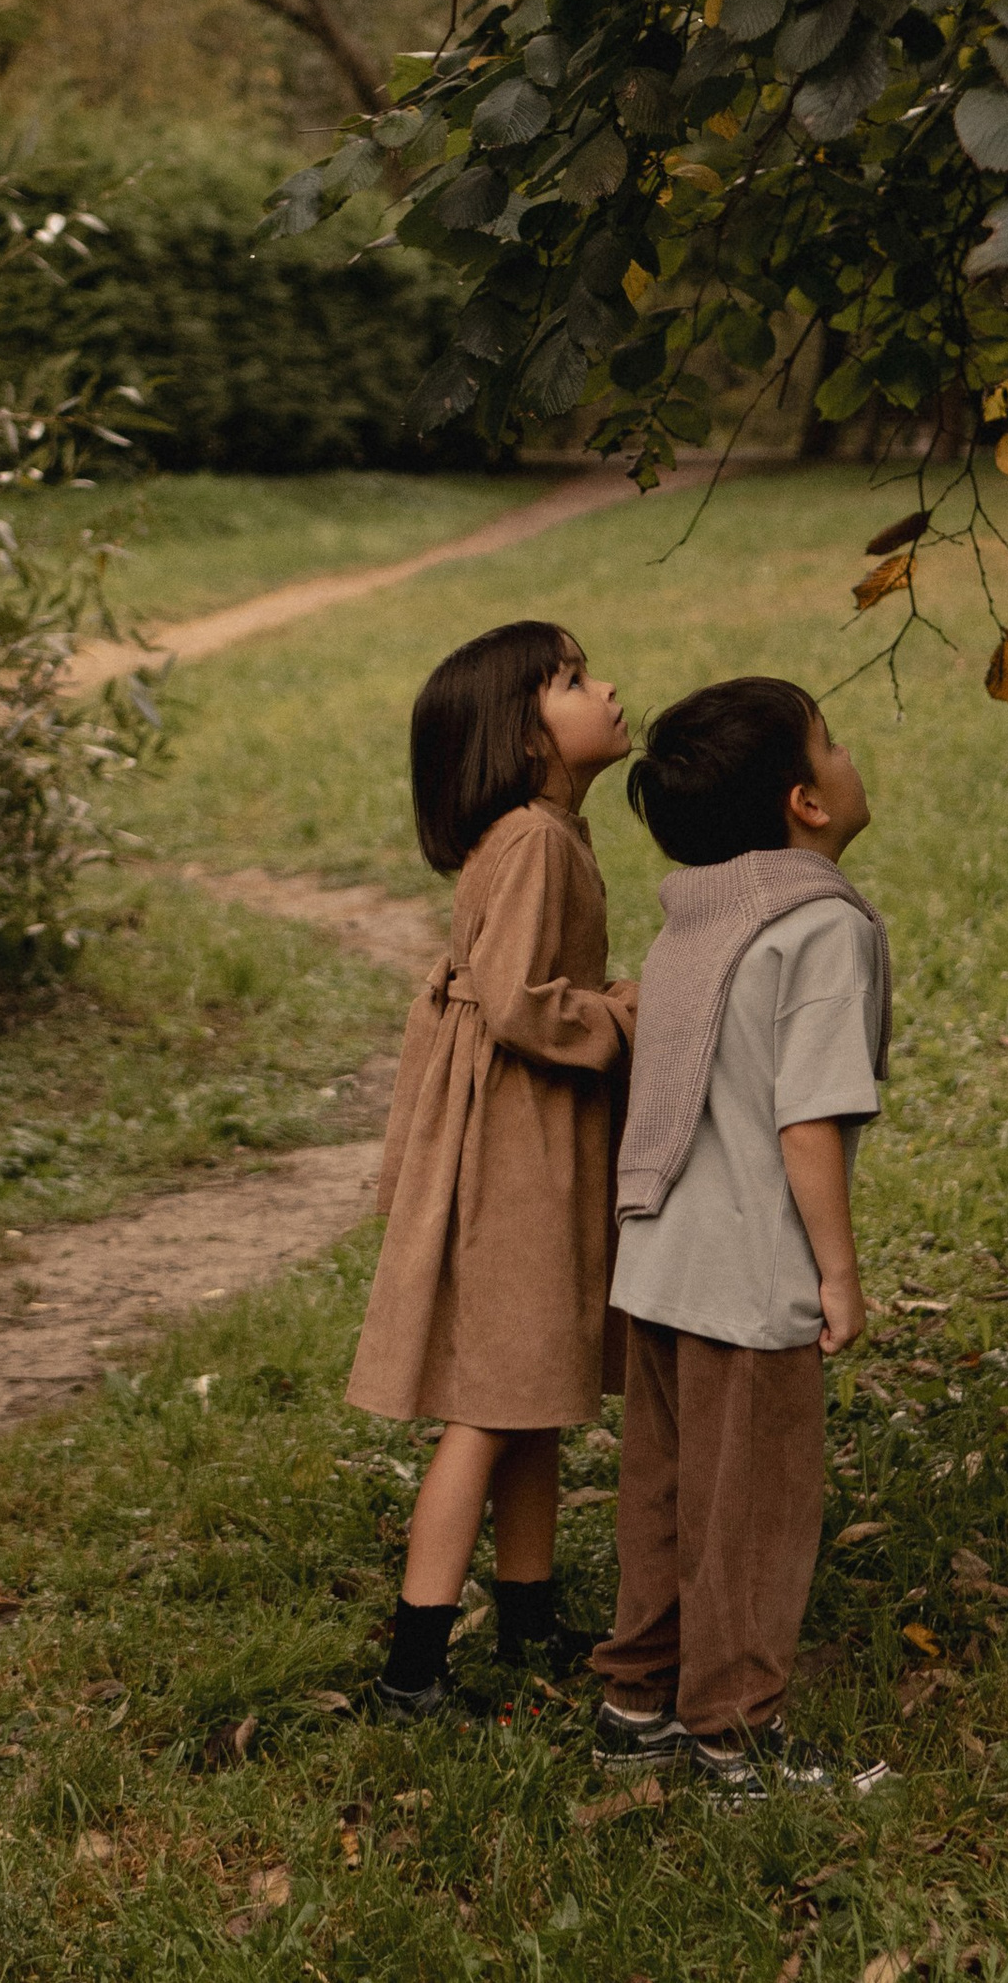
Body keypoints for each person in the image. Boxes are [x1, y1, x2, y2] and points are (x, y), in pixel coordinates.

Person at [590, 675, 890, 1797]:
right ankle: (734, 1731)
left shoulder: (698, 916)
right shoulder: (817, 930)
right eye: (833, 739)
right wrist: (838, 1271)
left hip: (659, 1253)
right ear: (805, 802)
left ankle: (637, 1695)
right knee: (755, 1502)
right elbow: (805, 1117)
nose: (850, 752)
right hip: (751, 1264)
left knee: (665, 1489)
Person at [346, 618, 636, 1716]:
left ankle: (527, 1618)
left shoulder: (539, 830)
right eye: (571, 679)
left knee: (530, 1390)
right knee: (488, 1402)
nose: (604, 687)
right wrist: (617, 1014)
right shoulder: (535, 840)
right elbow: (518, 1003)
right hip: (517, 1145)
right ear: (524, 735)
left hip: (527, 1140)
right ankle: (413, 1667)